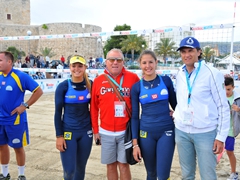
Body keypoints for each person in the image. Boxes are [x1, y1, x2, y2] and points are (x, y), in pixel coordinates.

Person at [173, 37, 230, 179]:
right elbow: (182, 100)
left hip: (206, 132)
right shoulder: (180, 73)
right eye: (183, 51)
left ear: (199, 52)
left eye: (190, 51)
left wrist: (221, 137)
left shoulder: (212, 73)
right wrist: (176, 114)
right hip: (182, 131)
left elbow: (223, 106)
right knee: (186, 174)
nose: (187, 55)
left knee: (208, 175)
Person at [90, 48, 139, 180]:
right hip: (105, 132)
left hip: (125, 132)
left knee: (124, 165)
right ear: (106, 62)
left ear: (123, 62)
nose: (115, 62)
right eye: (112, 59)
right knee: (110, 166)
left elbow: (145, 99)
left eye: (119, 60)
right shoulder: (99, 80)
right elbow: (94, 108)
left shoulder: (133, 78)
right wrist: (95, 130)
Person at [131, 50, 177, 180]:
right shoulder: (137, 87)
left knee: (163, 175)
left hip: (166, 132)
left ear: (156, 63)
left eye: (151, 62)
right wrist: (135, 144)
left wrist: (178, 113)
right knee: (151, 174)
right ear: (140, 64)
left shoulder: (166, 81)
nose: (148, 66)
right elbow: (135, 116)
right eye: (144, 62)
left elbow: (176, 106)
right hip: (146, 134)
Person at [0, 51, 43, 180]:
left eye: (0, 60)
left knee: (18, 147)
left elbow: (38, 91)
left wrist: (25, 105)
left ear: (9, 62)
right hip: (0, 120)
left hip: (15, 120)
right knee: (2, 146)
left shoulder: (20, 76)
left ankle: (21, 174)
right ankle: (5, 173)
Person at [54, 55, 93, 180]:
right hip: (68, 132)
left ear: (85, 67)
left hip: (86, 132)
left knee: (81, 169)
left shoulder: (90, 85)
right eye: (74, 66)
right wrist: (59, 136)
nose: (77, 69)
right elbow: (57, 113)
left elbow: (97, 108)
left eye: (80, 66)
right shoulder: (63, 87)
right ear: (69, 67)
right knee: (69, 171)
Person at [224, 76, 240, 180]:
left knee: (229, 151)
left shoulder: (238, 99)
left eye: (229, 89)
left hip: (231, 129)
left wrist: (238, 110)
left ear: (233, 87)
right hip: (218, 128)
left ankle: (233, 172)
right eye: (225, 89)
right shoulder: (220, 96)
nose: (226, 92)